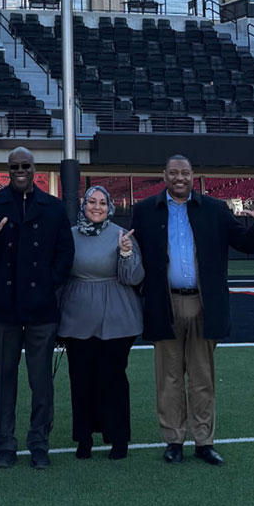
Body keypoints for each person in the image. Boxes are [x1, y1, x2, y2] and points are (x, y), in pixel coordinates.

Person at [131, 155, 254, 466]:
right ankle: (173, 441)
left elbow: (246, 244)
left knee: (202, 377)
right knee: (168, 379)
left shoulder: (215, 209)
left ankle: (204, 441)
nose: (179, 177)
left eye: (184, 172)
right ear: (163, 175)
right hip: (165, 304)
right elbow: (135, 258)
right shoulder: (143, 211)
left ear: (192, 175)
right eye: (173, 173)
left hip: (203, 303)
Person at [0, 147, 74, 470]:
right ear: (7, 170)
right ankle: (5, 445)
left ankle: (39, 444)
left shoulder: (54, 208)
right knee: (2, 380)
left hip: (40, 308)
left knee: (41, 381)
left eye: (25, 165)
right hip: (3, 308)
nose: (19, 170)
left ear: (34, 168)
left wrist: (47, 283)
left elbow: (65, 255)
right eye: (14, 166)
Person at [58, 186, 144, 461]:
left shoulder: (123, 235)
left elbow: (134, 278)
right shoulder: (69, 236)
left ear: (110, 207)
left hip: (117, 318)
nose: (97, 207)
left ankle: (119, 439)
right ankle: (84, 439)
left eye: (103, 203)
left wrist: (126, 254)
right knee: (80, 379)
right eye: (92, 202)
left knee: (113, 379)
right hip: (77, 317)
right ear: (83, 205)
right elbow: (59, 274)